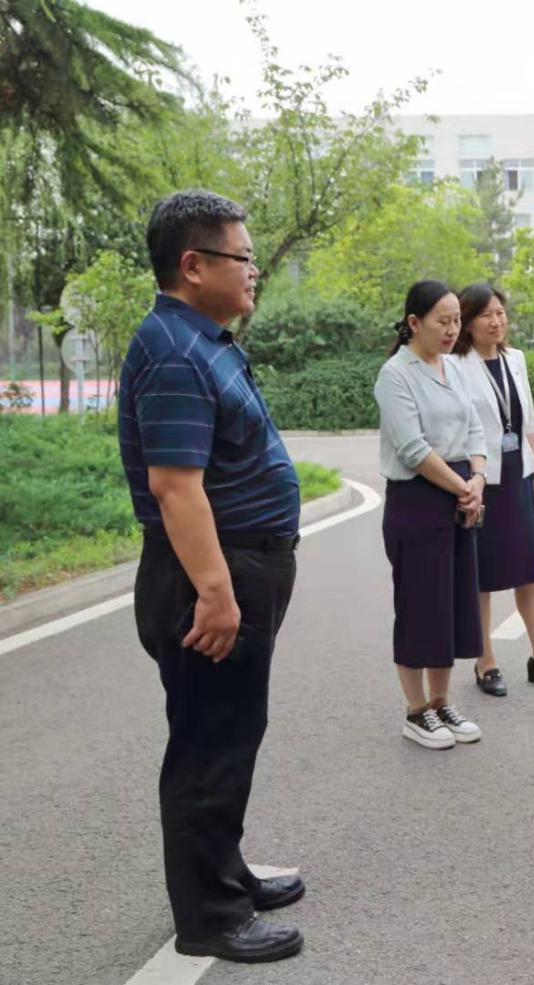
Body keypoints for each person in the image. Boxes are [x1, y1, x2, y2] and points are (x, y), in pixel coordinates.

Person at [119, 190, 304, 962]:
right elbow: (175, 487)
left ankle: (226, 874)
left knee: (232, 731)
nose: (254, 269)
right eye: (242, 257)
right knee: (208, 743)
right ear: (193, 265)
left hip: (240, 564)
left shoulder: (203, 339)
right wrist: (217, 591)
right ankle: (209, 917)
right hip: (211, 574)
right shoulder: (172, 350)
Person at [453, 283, 534, 696]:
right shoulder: (456, 365)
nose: (496, 321)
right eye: (486, 315)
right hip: (481, 480)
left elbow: (528, 422)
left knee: (529, 570)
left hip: (518, 475)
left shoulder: (516, 359)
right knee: (483, 575)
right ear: (467, 323)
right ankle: (485, 661)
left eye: (500, 313)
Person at [375, 279, 487, 751]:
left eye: (457, 320)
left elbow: (476, 428)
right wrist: (464, 488)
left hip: (460, 494)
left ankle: (442, 702)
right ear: (414, 323)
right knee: (420, 606)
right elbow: (413, 449)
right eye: (443, 321)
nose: (452, 329)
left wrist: (477, 479)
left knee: (452, 605)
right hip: (418, 500)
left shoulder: (454, 367)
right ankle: (416, 709)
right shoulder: (395, 375)